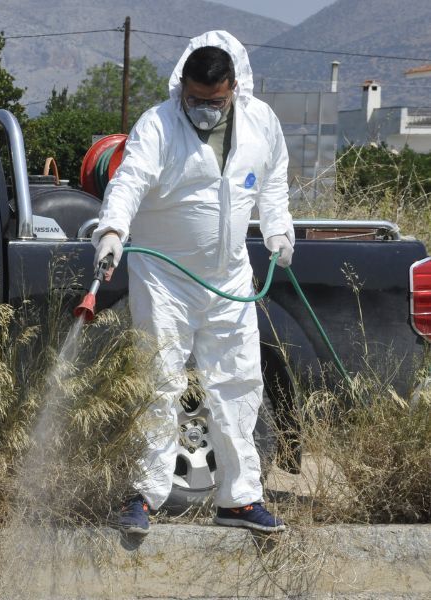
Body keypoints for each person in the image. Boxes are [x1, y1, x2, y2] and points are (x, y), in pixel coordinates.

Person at [92, 31, 294, 535]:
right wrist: (113, 230)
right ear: (182, 87)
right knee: (159, 382)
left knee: (238, 384)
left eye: (215, 101)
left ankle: (239, 500)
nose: (204, 109)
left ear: (234, 89)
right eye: (195, 99)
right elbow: (130, 179)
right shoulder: (158, 124)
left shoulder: (261, 122)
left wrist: (278, 230)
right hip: (165, 278)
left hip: (230, 279)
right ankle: (145, 495)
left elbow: (273, 181)